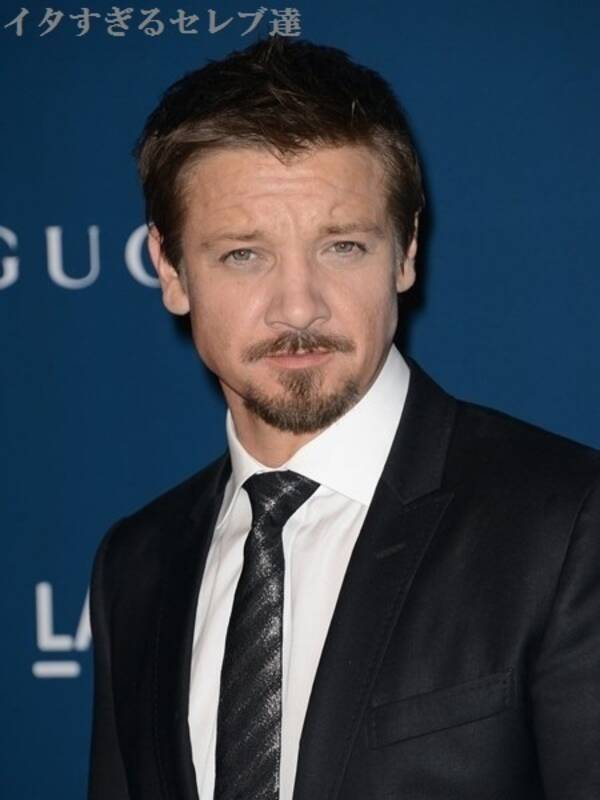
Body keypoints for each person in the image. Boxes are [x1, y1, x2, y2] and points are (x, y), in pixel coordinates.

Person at [88, 38, 600, 800]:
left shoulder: (569, 524)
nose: (299, 307)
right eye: (244, 255)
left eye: (343, 246)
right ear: (170, 269)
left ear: (406, 250)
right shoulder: (134, 566)